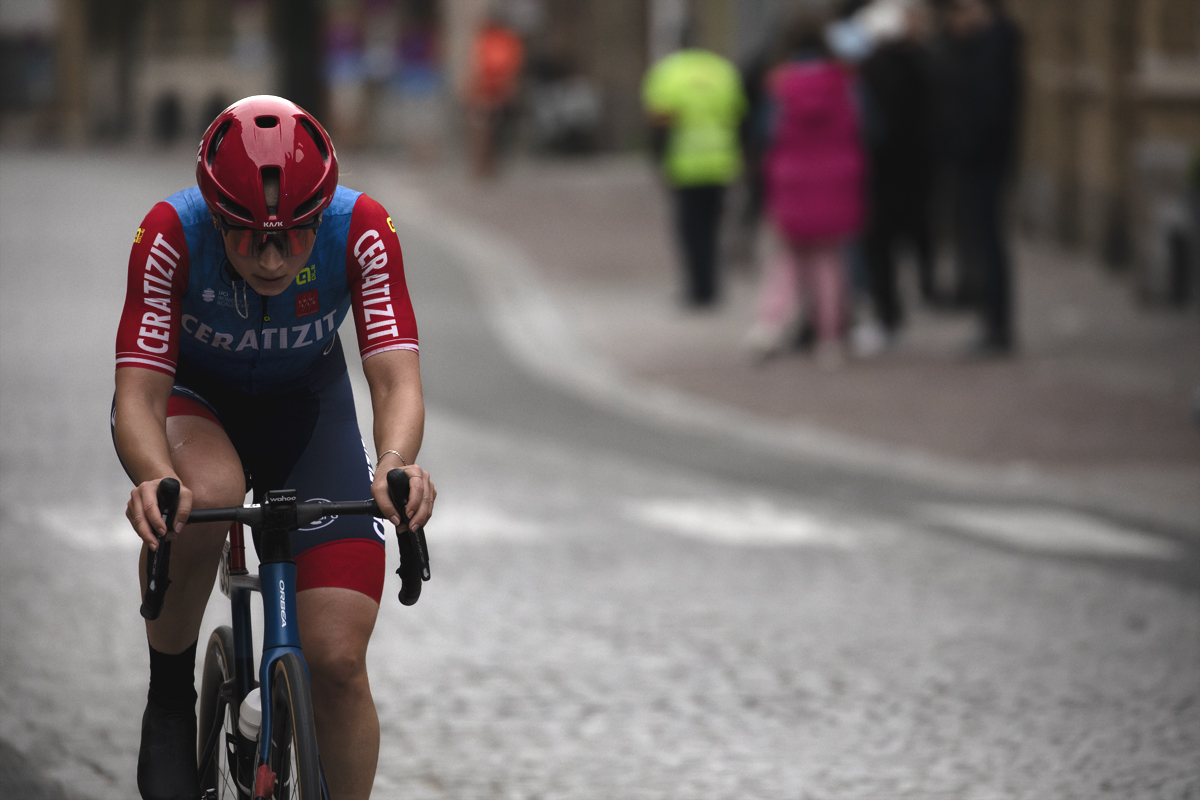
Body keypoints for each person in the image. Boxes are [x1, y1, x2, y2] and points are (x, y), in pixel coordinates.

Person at [113, 95, 436, 800]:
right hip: (197, 405)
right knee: (210, 490)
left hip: (304, 407)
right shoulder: (170, 232)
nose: (270, 257)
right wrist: (152, 476)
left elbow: (394, 378)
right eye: (247, 237)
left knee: (338, 662)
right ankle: (169, 699)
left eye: (293, 235)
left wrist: (393, 464)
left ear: (319, 218)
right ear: (215, 215)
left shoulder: (363, 228)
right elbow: (136, 396)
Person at [747, 11, 866, 367]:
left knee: (787, 260)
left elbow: (766, 132)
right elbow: (868, 127)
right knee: (829, 262)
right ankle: (829, 339)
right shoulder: (845, 82)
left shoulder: (780, 85)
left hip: (792, 180)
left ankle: (768, 327)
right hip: (836, 179)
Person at [935, 0, 1022, 355]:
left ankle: (996, 326)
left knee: (987, 241)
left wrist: (961, 144)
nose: (952, 20)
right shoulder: (984, 47)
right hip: (981, 160)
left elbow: (986, 111)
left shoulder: (992, 48)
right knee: (982, 240)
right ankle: (991, 320)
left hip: (983, 162)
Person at [642, 40, 747, 307]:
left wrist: (659, 160)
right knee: (713, 227)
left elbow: (659, 122)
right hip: (720, 162)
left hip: (686, 164)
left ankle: (697, 289)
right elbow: (739, 116)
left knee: (691, 230)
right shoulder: (723, 71)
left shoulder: (669, 73)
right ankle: (712, 285)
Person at [859, 1, 940, 344]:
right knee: (917, 234)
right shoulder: (928, 62)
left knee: (880, 246)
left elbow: (874, 125)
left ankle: (889, 313)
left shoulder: (875, 69)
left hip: (884, 171)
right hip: (918, 168)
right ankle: (924, 288)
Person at [463, 13, 525, 179]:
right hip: (485, 91)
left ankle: (488, 163)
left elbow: (509, 66)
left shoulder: (504, 41)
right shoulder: (488, 40)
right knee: (483, 128)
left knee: (492, 129)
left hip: (496, 91)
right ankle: (482, 163)